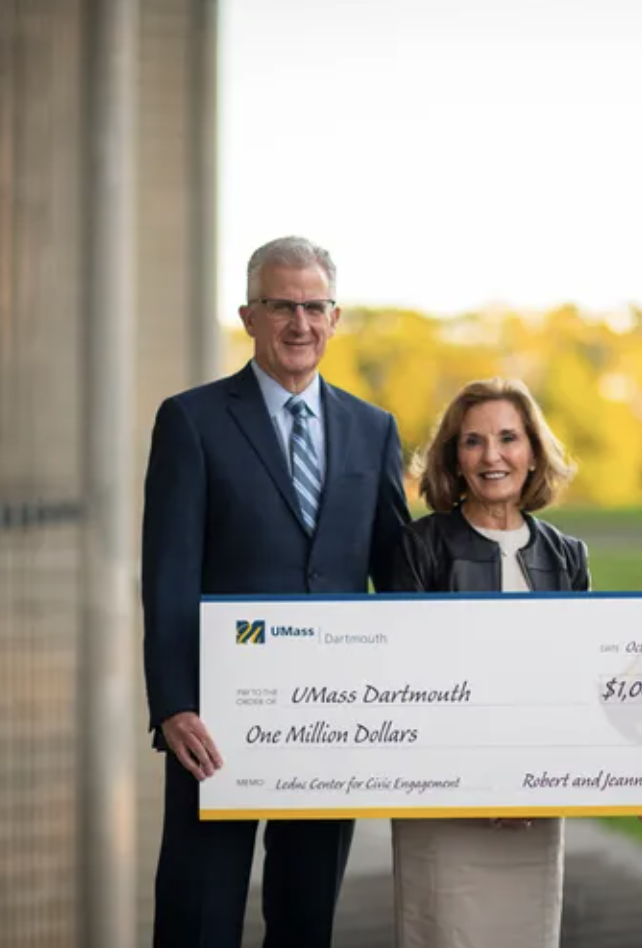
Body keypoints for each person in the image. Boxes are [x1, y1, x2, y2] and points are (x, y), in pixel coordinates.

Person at [141, 236, 409, 947]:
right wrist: (174, 705)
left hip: (330, 722)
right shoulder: (191, 421)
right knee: (199, 915)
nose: (300, 323)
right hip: (215, 726)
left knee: (305, 919)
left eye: (314, 306)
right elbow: (168, 576)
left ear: (335, 316)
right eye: (281, 306)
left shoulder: (372, 429)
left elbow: (400, 571)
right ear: (248, 316)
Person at [388, 377, 589, 948]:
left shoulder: (566, 555)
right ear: (455, 458)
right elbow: (411, 683)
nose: (492, 455)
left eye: (508, 437)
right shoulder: (419, 546)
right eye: (473, 442)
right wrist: (486, 783)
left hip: (536, 801)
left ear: (532, 452)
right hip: (444, 797)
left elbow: (577, 682)